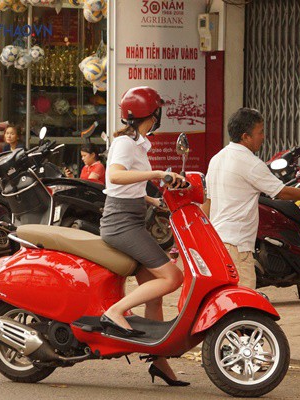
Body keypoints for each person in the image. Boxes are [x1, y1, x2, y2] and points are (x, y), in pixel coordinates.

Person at [99, 86, 188, 386]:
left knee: (156, 292)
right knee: (172, 277)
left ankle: (159, 361)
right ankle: (115, 311)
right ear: (152, 114)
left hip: (132, 217)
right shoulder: (126, 144)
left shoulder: (138, 142)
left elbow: (125, 189)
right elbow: (115, 176)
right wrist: (155, 175)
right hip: (122, 225)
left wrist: (153, 200)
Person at [203, 107, 300, 290]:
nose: (263, 137)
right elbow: (282, 192)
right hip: (236, 246)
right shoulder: (250, 162)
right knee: (242, 302)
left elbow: (208, 200)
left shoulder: (217, 158)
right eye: (260, 132)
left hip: (217, 241)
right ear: (245, 137)